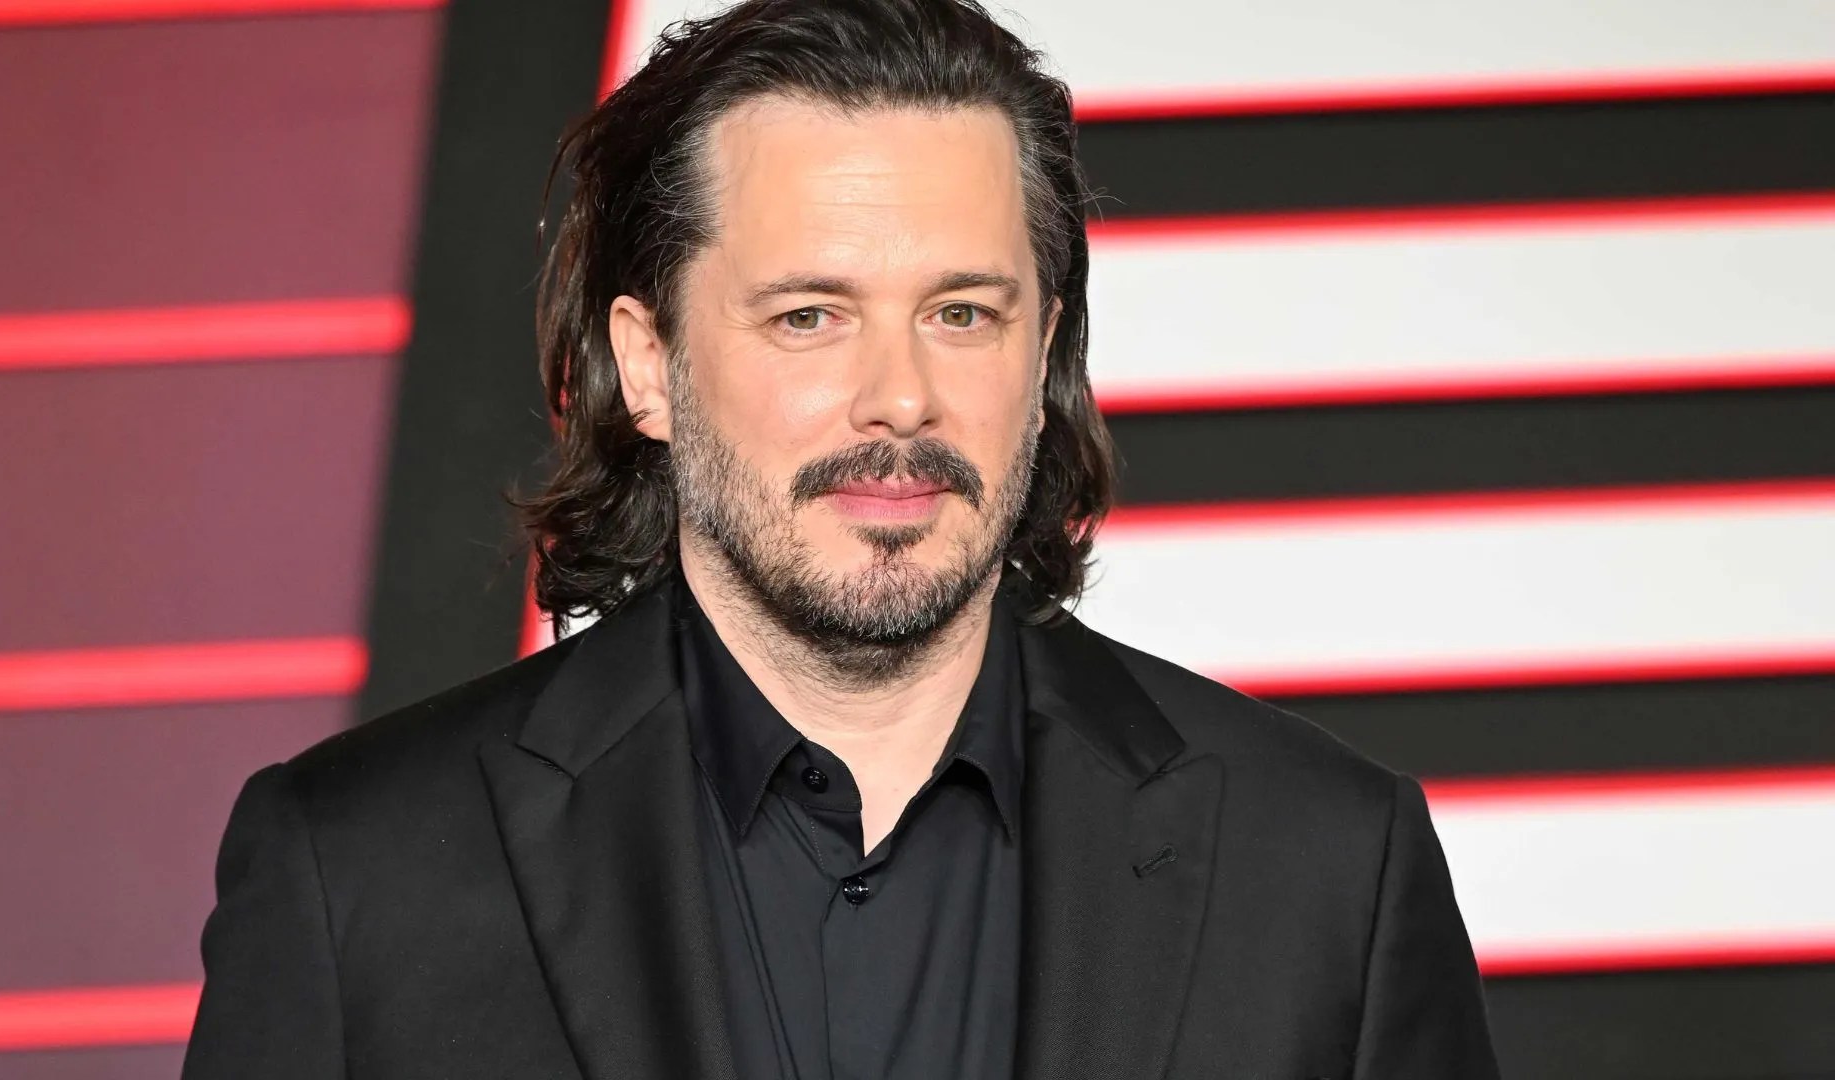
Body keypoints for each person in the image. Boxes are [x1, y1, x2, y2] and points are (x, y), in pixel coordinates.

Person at [182, 0, 1501, 1076]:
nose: (901, 398)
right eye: (809, 315)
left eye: (962, 314)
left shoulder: (1327, 867)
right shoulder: (356, 872)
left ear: (1043, 351)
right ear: (648, 365)